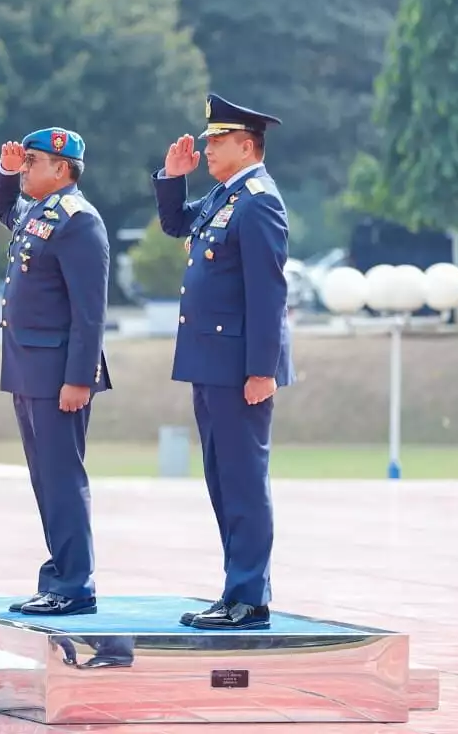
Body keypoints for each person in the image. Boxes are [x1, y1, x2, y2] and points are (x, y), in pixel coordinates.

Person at [151, 92, 296, 631]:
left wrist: (262, 369)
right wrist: (173, 177)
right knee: (222, 480)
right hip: (211, 362)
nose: (208, 147)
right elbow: (177, 224)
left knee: (242, 481)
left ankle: (249, 598)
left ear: (247, 145)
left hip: (239, 368)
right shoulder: (227, 195)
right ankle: (235, 589)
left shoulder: (258, 200)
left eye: (217, 141)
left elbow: (268, 293)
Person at [0, 128, 112, 618]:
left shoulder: (79, 221)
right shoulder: (40, 214)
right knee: (46, 480)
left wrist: (79, 379)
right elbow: (4, 210)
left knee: (62, 479)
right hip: (29, 368)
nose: (26, 169)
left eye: (33, 161)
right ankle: (59, 576)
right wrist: (5, 172)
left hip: (59, 372)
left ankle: (75, 584)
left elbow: (90, 312)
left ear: (62, 168)